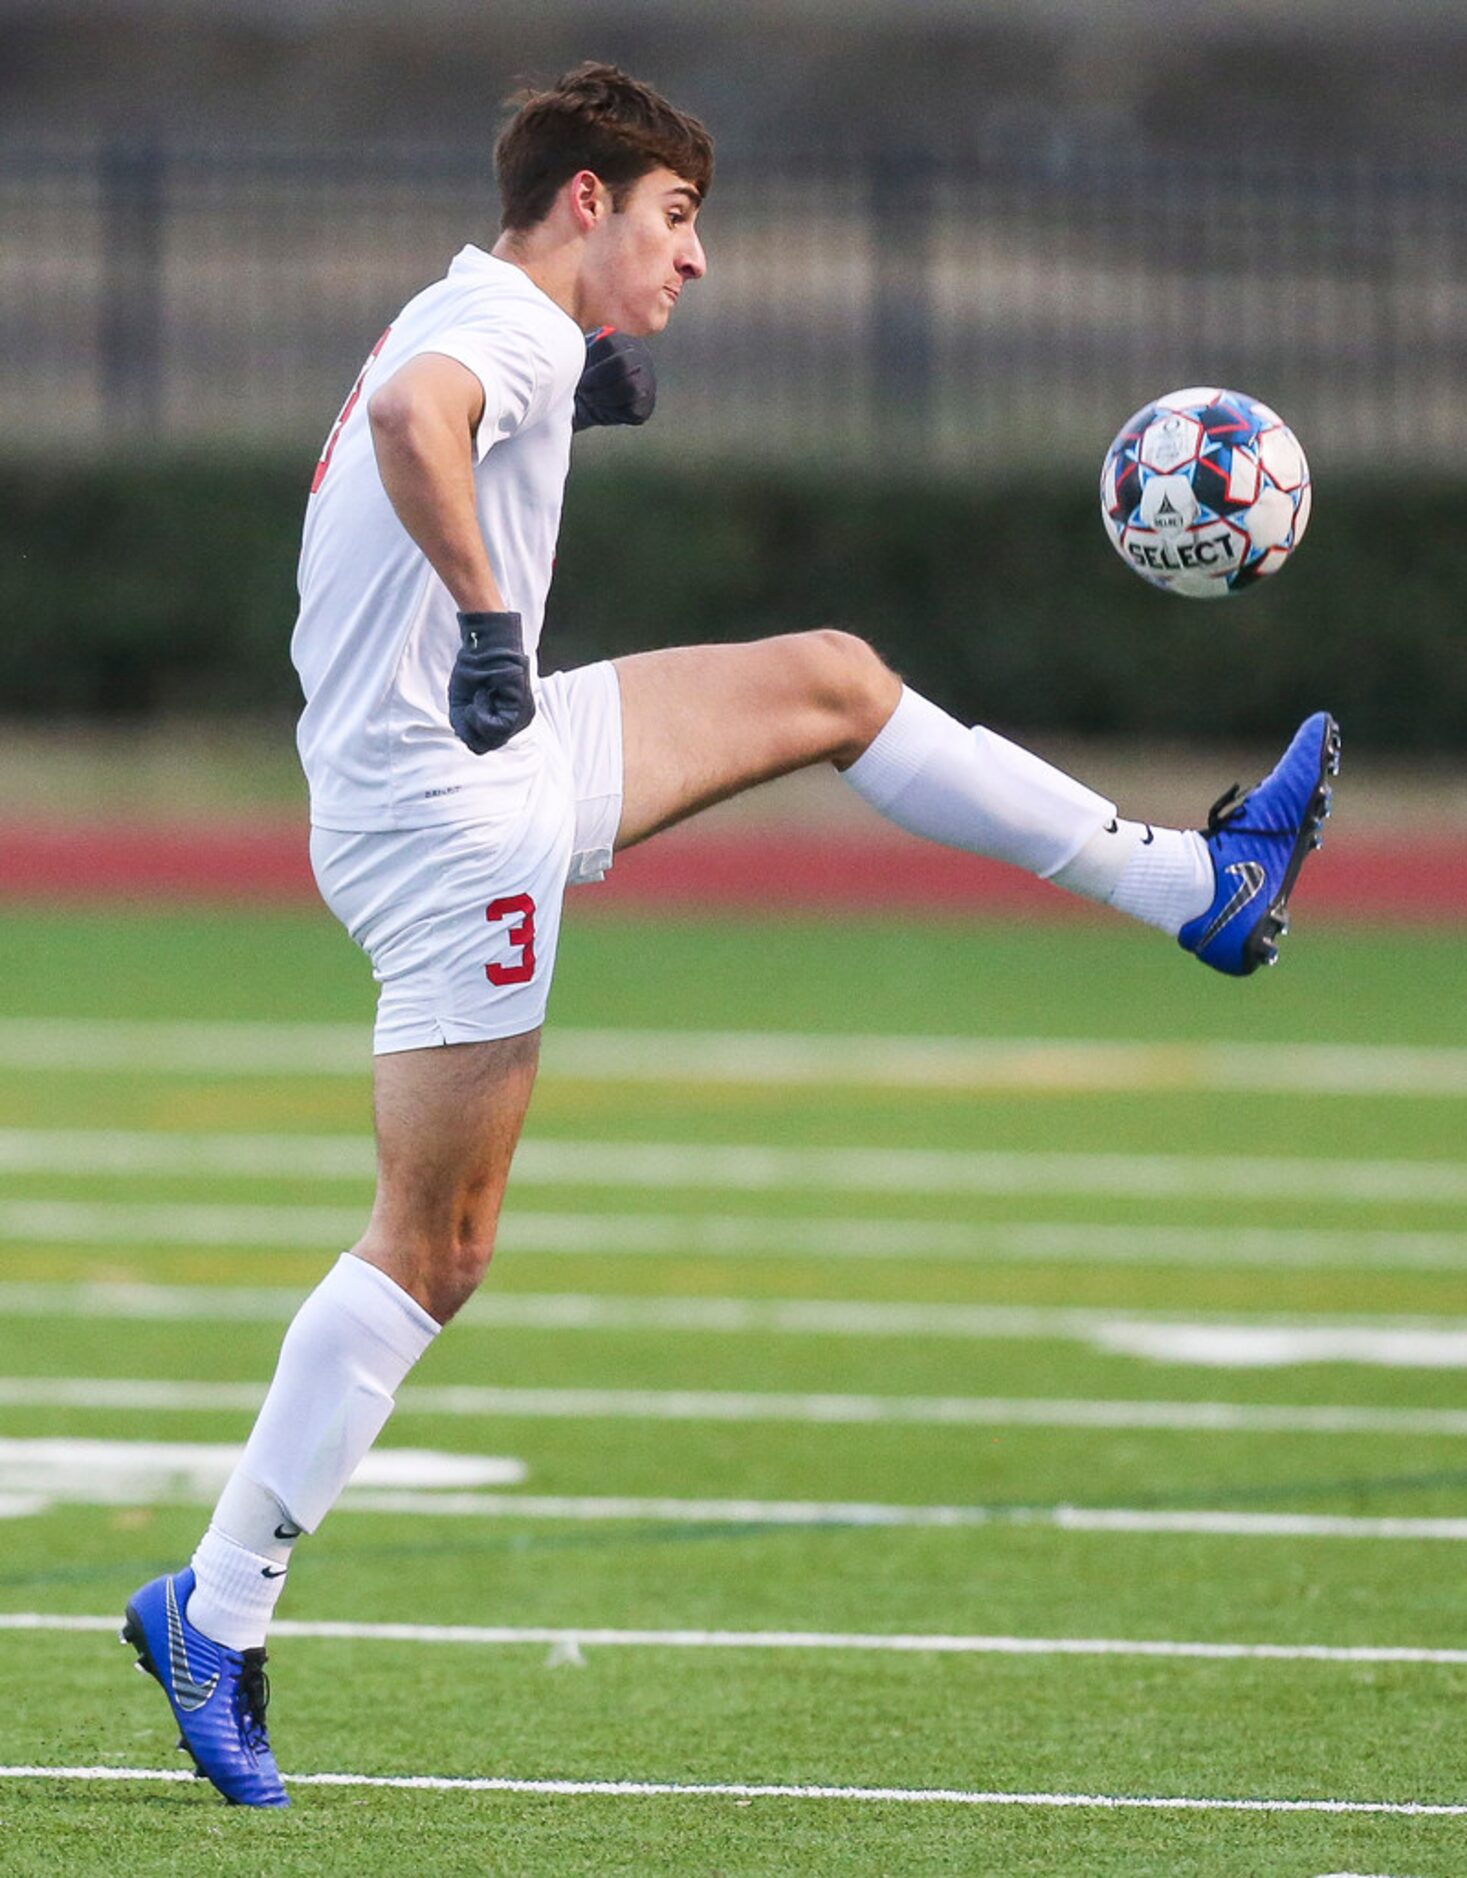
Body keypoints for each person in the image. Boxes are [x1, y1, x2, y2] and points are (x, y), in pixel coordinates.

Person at [121, 62, 1338, 1807]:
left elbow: (437, 412)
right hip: (449, 818)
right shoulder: (507, 331)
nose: (696, 264)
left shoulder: (489, 315)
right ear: (588, 204)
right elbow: (414, 429)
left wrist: (549, 455)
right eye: (679, 220)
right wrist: (483, 610)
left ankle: (1196, 888)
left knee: (833, 681)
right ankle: (215, 1607)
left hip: (485, 762)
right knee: (435, 1245)